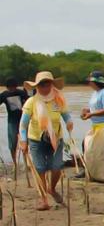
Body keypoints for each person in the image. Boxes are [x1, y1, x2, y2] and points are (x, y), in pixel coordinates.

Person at [18, 71, 71, 210]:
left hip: (56, 138)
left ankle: (51, 189)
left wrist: (69, 123)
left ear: (52, 85)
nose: (44, 87)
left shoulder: (58, 100)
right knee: (40, 168)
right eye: (41, 84)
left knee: (57, 167)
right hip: (36, 138)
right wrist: (23, 141)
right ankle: (43, 199)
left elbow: (66, 115)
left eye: (47, 84)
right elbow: (23, 124)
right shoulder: (32, 101)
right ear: (36, 86)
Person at [80, 71, 104, 179]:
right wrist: (87, 110)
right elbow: (96, 107)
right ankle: (87, 169)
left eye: (90, 81)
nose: (89, 83)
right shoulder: (95, 93)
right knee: (86, 144)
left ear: (96, 82)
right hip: (97, 125)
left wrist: (90, 114)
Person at [1, 78, 29, 165]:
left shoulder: (22, 93)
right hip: (12, 121)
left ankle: (26, 161)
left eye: (13, 87)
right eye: (9, 88)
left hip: (24, 120)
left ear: (16, 87)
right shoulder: (4, 95)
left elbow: (29, 103)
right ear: (7, 88)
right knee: (13, 143)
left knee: (26, 141)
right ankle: (15, 163)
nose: (11, 89)